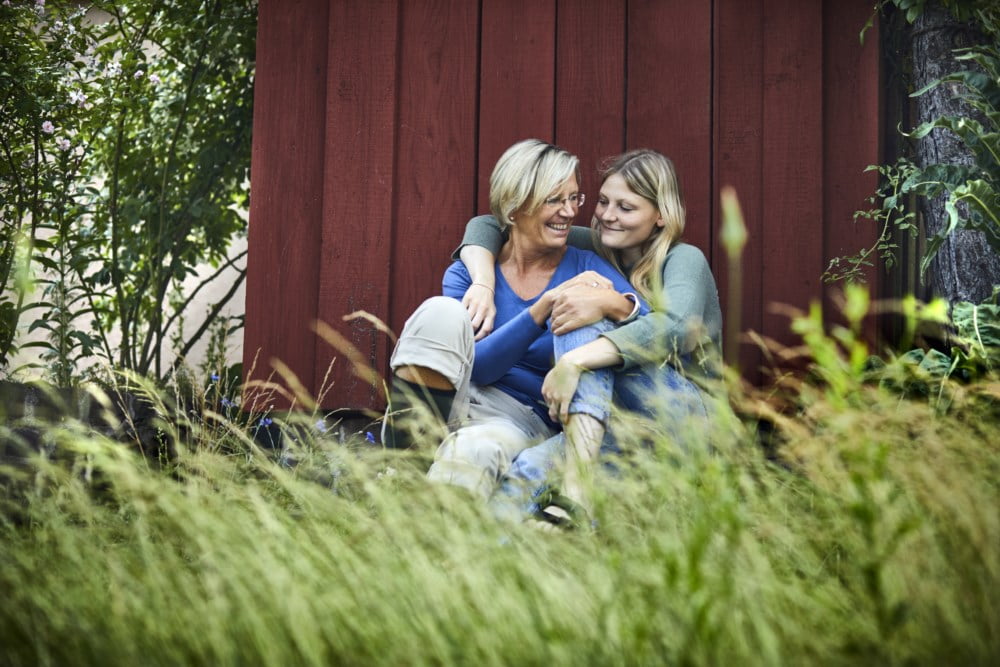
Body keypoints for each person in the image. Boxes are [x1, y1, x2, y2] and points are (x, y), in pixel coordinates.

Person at [457, 149, 723, 521]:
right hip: (612, 423)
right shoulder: (597, 243)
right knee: (528, 471)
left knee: (579, 304)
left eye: (626, 208)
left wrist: (577, 354)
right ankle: (472, 568)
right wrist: (484, 282)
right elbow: (493, 223)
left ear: (661, 215)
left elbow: (677, 329)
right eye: (602, 202)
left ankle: (575, 495)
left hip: (684, 414)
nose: (608, 216)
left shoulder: (682, 259)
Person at [381, 139, 646, 503]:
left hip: (518, 417)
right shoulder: (471, 275)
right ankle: (406, 461)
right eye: (554, 200)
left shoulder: (585, 267)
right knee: (440, 311)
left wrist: (617, 303)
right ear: (515, 205)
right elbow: (480, 368)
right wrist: (540, 310)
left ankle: (427, 538)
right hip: (452, 397)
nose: (569, 212)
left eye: (574, 198)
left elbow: (646, 322)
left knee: (477, 449)